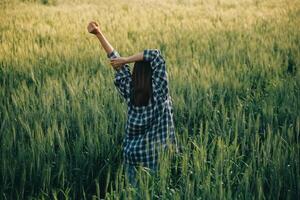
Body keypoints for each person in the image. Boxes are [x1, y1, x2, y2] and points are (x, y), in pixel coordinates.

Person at [87, 21, 177, 187]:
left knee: (134, 193)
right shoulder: (160, 92)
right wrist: (127, 59)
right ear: (154, 74)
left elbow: (115, 60)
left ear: (135, 73)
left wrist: (99, 34)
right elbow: (155, 55)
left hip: (133, 156)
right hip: (157, 157)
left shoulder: (130, 91)